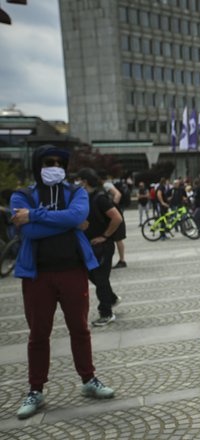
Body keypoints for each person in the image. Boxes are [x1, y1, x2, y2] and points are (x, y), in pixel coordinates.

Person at [10, 145, 114, 420]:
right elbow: (30, 232)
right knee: (38, 334)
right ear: (37, 166)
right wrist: (64, 221)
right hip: (37, 275)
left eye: (58, 162)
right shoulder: (23, 195)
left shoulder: (75, 192)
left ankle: (88, 380)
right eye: (47, 162)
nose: (53, 166)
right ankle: (35, 389)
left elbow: (78, 216)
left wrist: (34, 215)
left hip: (73, 270)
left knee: (80, 329)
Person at [76, 168, 123, 326]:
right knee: (94, 276)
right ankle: (112, 298)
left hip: (102, 246)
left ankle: (106, 313)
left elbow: (117, 218)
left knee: (101, 278)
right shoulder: (85, 197)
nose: (77, 183)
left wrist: (105, 236)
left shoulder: (99, 198)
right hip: (90, 246)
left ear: (85, 181)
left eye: (79, 180)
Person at [99, 173, 127, 269]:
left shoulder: (106, 185)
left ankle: (122, 260)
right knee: (118, 239)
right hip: (116, 213)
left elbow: (118, 194)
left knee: (118, 238)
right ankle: (121, 259)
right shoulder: (108, 184)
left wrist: (112, 206)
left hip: (115, 214)